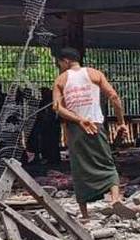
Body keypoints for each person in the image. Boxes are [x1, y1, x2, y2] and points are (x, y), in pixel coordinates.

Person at [51, 47, 130, 219]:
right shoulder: (95, 74)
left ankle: (85, 214)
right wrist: (121, 122)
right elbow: (115, 98)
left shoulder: (60, 80)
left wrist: (79, 120)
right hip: (96, 124)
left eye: (59, 63)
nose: (59, 66)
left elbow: (57, 108)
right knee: (106, 162)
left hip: (75, 129)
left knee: (80, 169)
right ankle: (115, 199)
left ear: (65, 61)